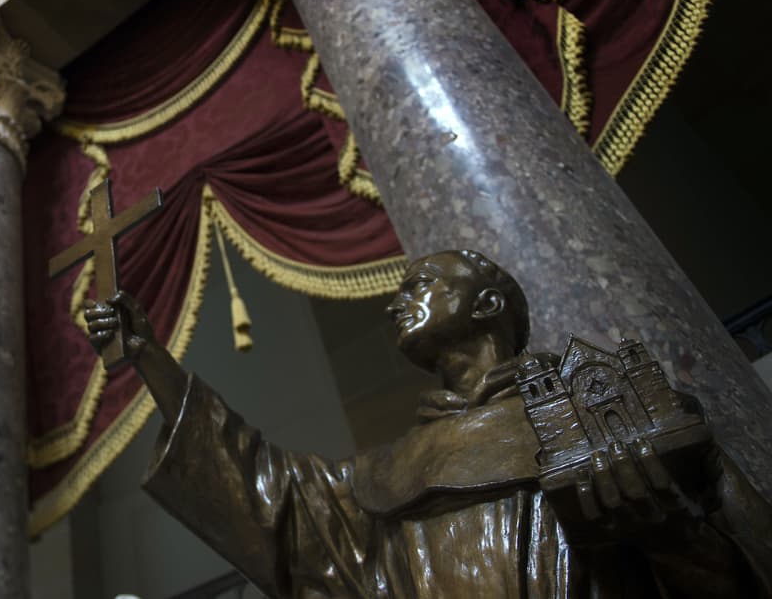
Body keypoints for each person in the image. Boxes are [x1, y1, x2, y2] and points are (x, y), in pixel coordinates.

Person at [85, 250, 772, 598]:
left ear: (488, 302)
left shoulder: (601, 411)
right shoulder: (391, 471)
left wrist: (674, 535)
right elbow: (278, 497)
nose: (396, 301)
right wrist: (151, 360)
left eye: (422, 283)